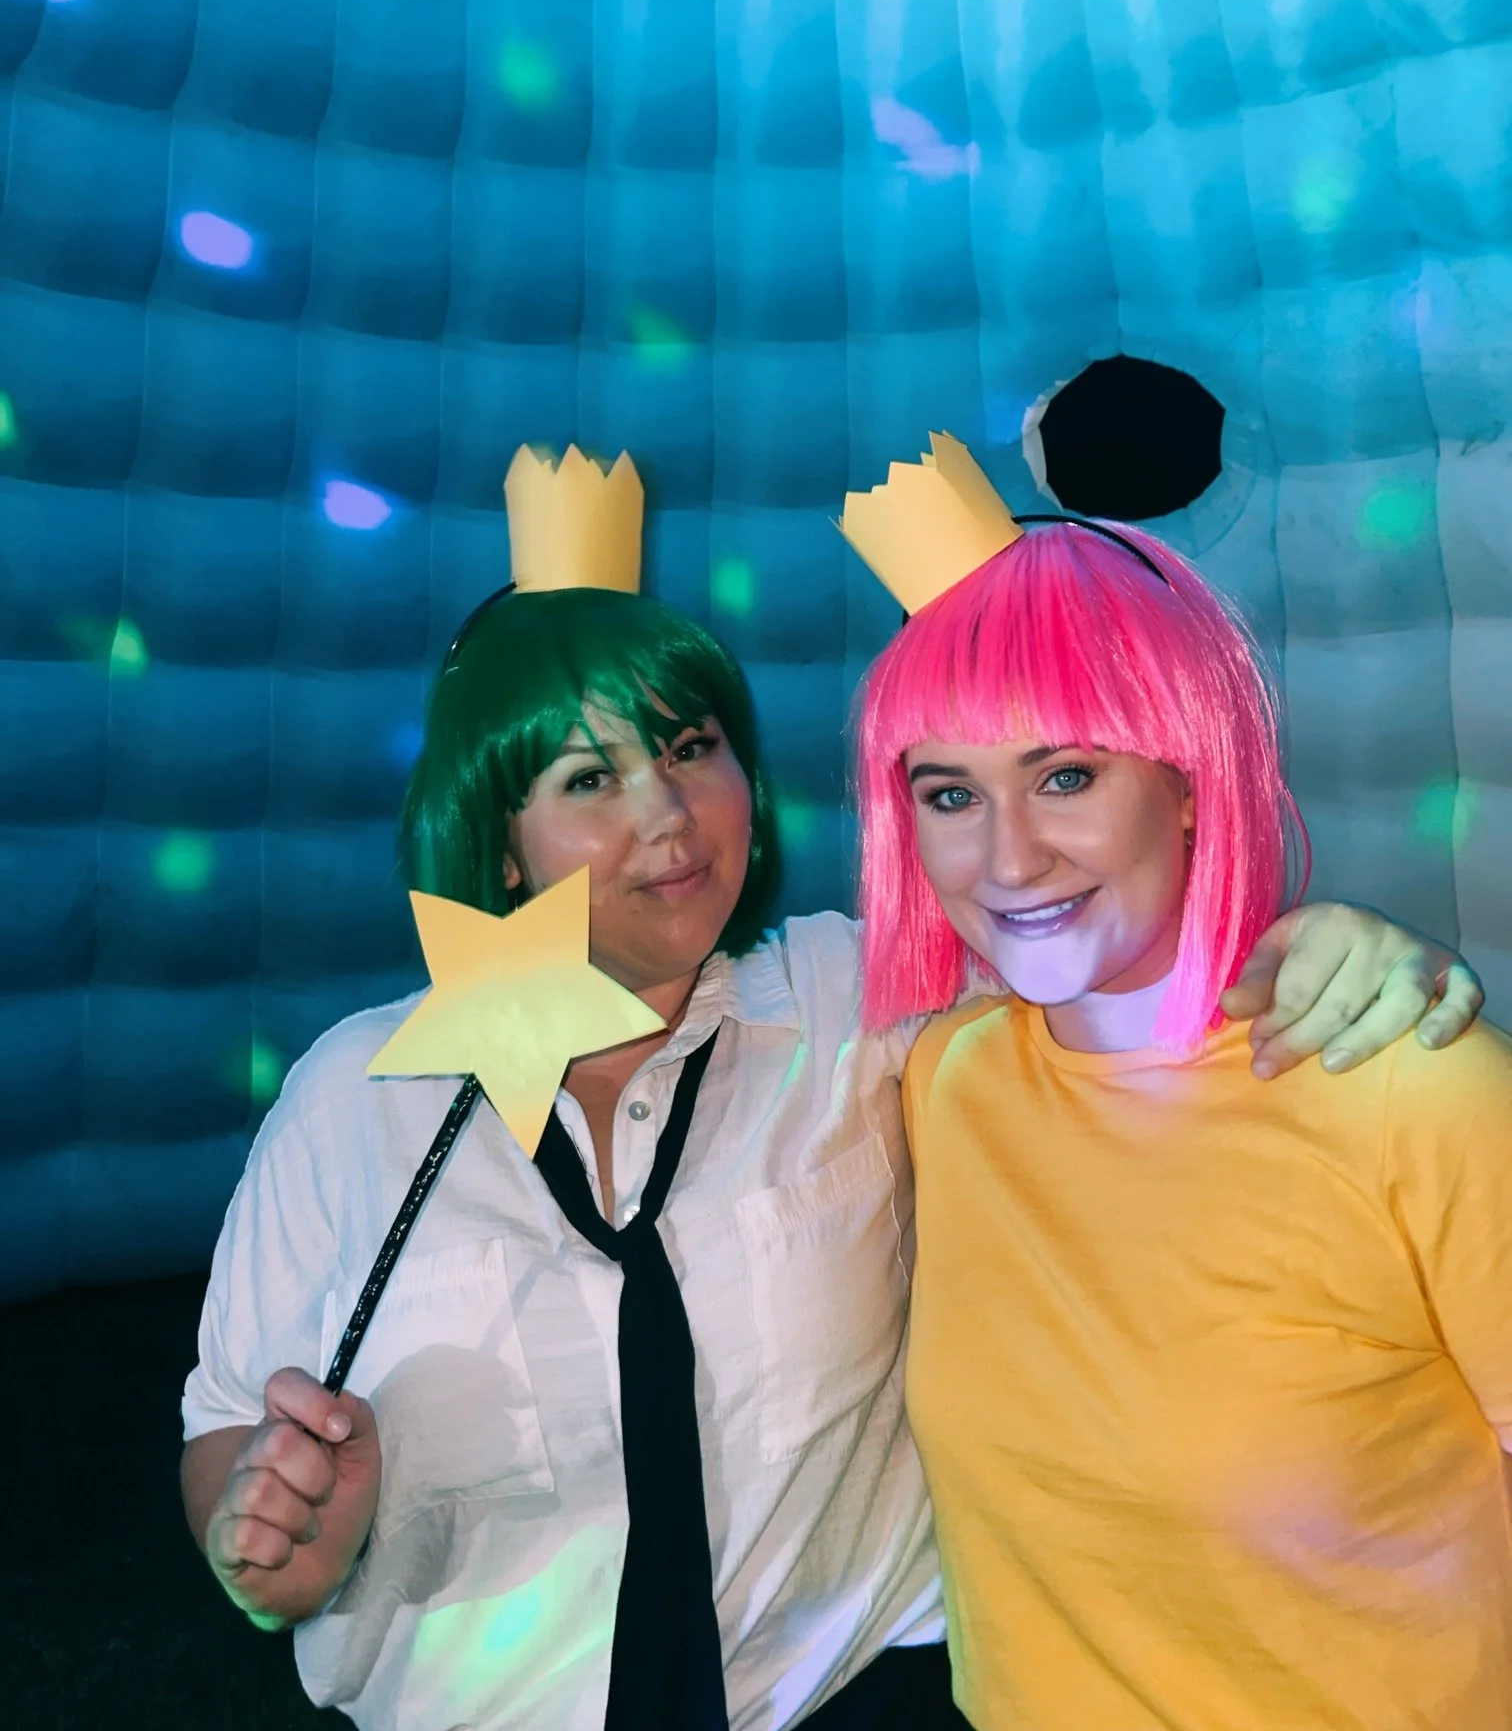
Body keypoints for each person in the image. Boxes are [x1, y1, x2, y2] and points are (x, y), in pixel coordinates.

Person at [181, 511, 1482, 1731]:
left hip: (847, 1698)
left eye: (690, 748)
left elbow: (1110, 948)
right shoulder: (355, 1100)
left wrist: (1338, 941)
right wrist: (276, 1540)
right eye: (588, 778)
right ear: (499, 839)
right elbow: (231, 1422)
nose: (666, 818)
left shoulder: (866, 1010)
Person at [852, 505, 1512, 1730]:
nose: (1008, 859)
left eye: (1065, 776)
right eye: (950, 793)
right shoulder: (948, 1082)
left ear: (1192, 780)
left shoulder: (1412, 1087)